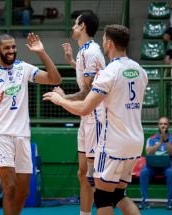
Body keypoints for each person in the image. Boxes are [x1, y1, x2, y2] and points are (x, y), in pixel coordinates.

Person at [43, 24, 148, 215]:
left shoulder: (109, 73)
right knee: (118, 195)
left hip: (113, 143)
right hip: (135, 142)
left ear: (108, 43)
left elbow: (84, 108)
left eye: (104, 40)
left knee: (102, 198)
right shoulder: (140, 70)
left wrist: (60, 100)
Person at [0, 33, 61, 215]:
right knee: (10, 187)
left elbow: (55, 79)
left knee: (23, 192)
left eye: (13, 47)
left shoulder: (23, 68)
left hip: (23, 135)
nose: (11, 51)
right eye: (7, 48)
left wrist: (41, 52)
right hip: (0, 135)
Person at [55, 11, 105, 215]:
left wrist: (63, 98)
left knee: (95, 176)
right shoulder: (84, 51)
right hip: (87, 118)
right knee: (83, 173)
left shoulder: (91, 52)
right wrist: (70, 62)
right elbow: (86, 76)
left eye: (75, 24)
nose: (73, 27)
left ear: (83, 26)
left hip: (96, 116)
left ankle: (109, 207)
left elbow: (88, 90)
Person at [138, 116, 172, 210]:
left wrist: (166, 141)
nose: (163, 126)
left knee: (171, 173)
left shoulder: (171, 138)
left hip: (167, 165)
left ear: (168, 126)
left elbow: (171, 152)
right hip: (152, 166)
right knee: (144, 172)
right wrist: (159, 143)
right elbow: (148, 152)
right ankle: (145, 200)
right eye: (161, 124)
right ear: (158, 125)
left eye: (165, 124)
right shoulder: (151, 138)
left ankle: (170, 201)